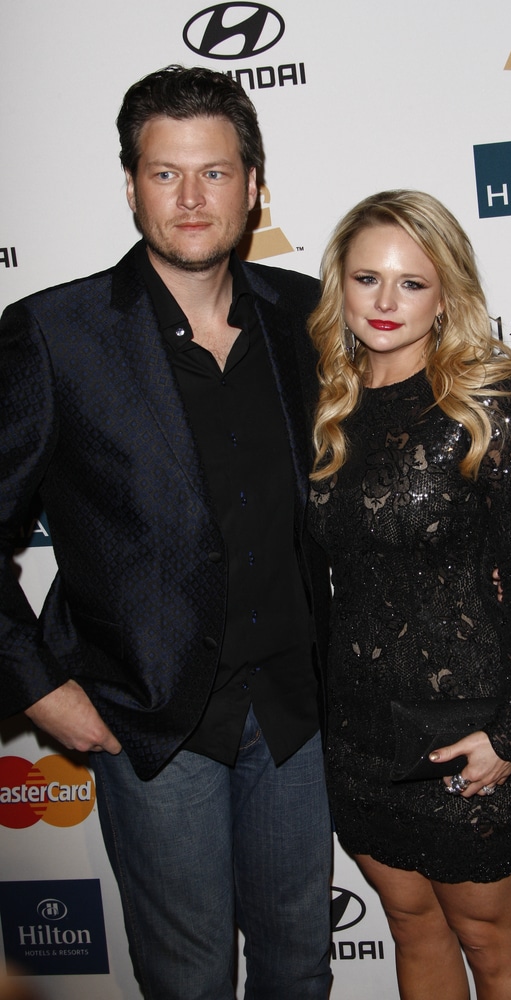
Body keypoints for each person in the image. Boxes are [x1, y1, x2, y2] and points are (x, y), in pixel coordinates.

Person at [0, 66, 332, 1000]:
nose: (192, 199)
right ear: (131, 185)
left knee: (299, 967)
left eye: (215, 173)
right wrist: (41, 689)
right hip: (151, 722)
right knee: (187, 979)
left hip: (296, 713)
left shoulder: (305, 314)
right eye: (165, 173)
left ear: (254, 185)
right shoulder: (54, 334)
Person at [307, 190, 511, 1000]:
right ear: (339, 286)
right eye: (366, 279)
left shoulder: (483, 403)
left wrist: (510, 733)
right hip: (357, 729)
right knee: (409, 925)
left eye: (411, 282)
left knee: (491, 943)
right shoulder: (325, 404)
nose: (385, 301)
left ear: (445, 293)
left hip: (468, 727)